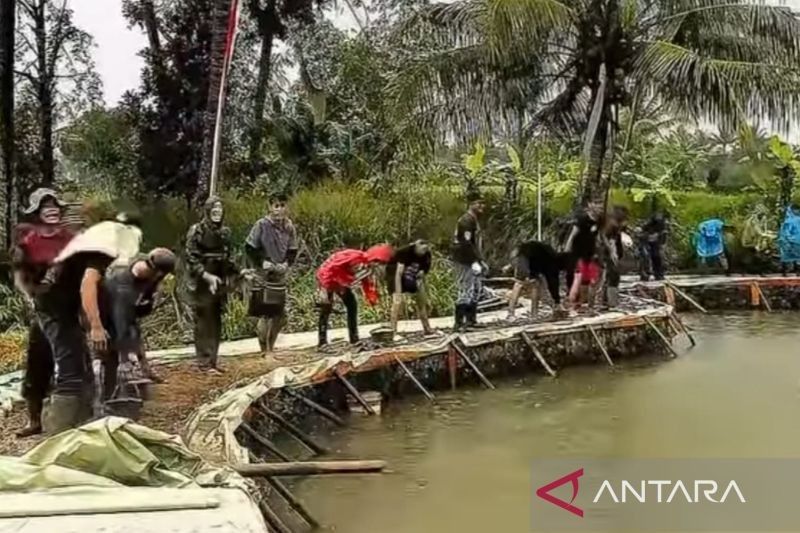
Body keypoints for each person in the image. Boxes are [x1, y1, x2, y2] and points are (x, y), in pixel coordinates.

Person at [36, 217, 143, 434]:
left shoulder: (87, 247)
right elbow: (87, 285)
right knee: (70, 370)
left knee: (83, 366)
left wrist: (88, 322)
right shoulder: (100, 251)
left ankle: (84, 423)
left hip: (63, 307)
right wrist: (95, 326)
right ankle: (58, 433)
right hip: (53, 309)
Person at [10, 188, 75, 437]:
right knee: (37, 362)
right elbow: (20, 277)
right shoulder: (28, 242)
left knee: (75, 362)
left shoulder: (70, 240)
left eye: (55, 206)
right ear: (37, 213)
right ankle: (34, 420)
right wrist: (30, 299)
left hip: (69, 308)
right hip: (43, 309)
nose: (51, 210)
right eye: (46, 206)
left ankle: (76, 415)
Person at [98, 248, 176, 403]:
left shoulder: (148, 265)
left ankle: (143, 370)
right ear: (158, 272)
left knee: (134, 331)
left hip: (127, 309)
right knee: (113, 352)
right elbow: (121, 322)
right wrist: (125, 359)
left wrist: (150, 299)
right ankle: (107, 398)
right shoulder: (122, 285)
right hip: (105, 314)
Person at [184, 196, 238, 372]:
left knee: (216, 321)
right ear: (207, 212)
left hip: (219, 280)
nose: (217, 213)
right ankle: (203, 362)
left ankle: (212, 361)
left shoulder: (225, 232)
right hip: (201, 282)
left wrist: (239, 273)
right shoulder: (197, 231)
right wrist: (205, 275)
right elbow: (191, 258)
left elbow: (229, 258)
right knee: (203, 321)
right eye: (214, 211)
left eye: (220, 211)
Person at [244, 194, 298, 356]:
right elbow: (249, 247)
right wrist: (262, 262)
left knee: (279, 316)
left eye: (282, 205)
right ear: (270, 207)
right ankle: (264, 351)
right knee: (264, 315)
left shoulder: (289, 226)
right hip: (262, 275)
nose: (279, 209)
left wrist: (286, 264)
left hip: (279, 275)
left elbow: (292, 250)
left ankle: (271, 348)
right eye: (276, 206)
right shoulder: (261, 225)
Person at [316, 244, 394, 348]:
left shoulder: (367, 267)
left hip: (341, 282)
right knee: (326, 307)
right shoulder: (355, 257)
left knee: (352, 305)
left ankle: (354, 339)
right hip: (328, 277)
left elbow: (366, 283)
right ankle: (322, 342)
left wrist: (371, 298)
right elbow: (331, 267)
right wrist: (325, 288)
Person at [452, 190, 487, 331]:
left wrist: (480, 259)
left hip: (472, 259)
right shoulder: (466, 221)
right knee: (465, 290)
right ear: (471, 204)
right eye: (479, 203)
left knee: (476, 289)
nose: (482, 206)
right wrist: (476, 260)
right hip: (464, 259)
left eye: (483, 203)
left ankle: (471, 320)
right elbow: (466, 243)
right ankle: (459, 323)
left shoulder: (473, 220)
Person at [506, 240, 568, 319]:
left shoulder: (550, 256)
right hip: (522, 256)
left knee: (535, 284)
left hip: (528, 257)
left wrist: (556, 301)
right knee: (519, 284)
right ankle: (511, 314)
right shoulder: (553, 264)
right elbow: (553, 284)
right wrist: (557, 301)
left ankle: (534, 315)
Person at [387, 239, 433, 336]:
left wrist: (426, 295)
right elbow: (398, 274)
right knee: (397, 302)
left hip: (412, 275)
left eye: (425, 250)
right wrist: (398, 293)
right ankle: (393, 332)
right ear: (415, 246)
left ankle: (427, 328)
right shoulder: (405, 252)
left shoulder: (427, 255)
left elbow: (423, 274)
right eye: (421, 250)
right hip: (395, 273)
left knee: (422, 301)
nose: (422, 253)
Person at [564, 200, 603, 309]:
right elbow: (573, 234)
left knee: (589, 280)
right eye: (598, 206)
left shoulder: (599, 221)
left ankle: (584, 304)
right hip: (578, 252)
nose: (600, 209)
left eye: (601, 207)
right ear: (592, 206)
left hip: (590, 253)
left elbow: (598, 237)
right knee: (577, 279)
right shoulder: (582, 218)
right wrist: (567, 250)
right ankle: (572, 304)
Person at [601, 205, 629, 309]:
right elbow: (607, 239)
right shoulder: (612, 224)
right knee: (613, 276)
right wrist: (612, 252)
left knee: (611, 276)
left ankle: (606, 300)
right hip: (611, 252)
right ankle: (611, 301)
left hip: (615, 251)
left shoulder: (617, 225)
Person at [637, 210, 668, 281]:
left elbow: (663, 236)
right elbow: (641, 232)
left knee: (657, 257)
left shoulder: (662, 226)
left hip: (656, 242)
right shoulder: (648, 224)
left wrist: (662, 244)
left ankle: (659, 274)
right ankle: (645, 275)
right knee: (645, 257)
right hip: (646, 241)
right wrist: (646, 236)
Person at [778, 205, 800, 275]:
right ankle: (795, 271)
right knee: (794, 256)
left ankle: (786, 271)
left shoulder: (788, 221)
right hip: (793, 241)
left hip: (791, 241)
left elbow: (784, 232)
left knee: (789, 256)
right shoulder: (789, 221)